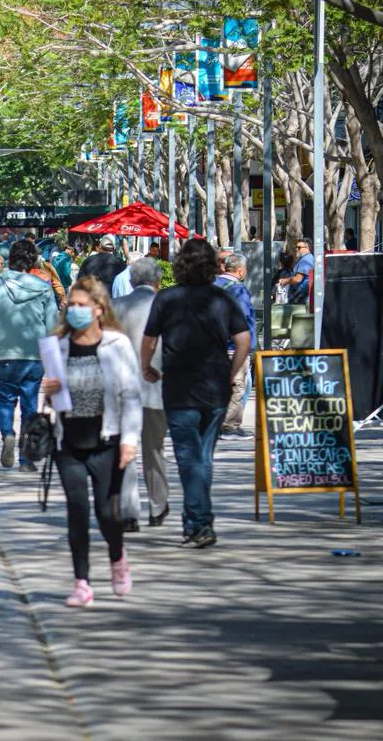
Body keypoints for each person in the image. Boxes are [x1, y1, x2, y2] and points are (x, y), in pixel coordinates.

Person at [141, 238, 250, 549]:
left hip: (179, 386)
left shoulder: (166, 298)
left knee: (189, 457)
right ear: (211, 267)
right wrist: (232, 372)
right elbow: (243, 340)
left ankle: (199, 523)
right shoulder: (222, 299)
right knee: (202, 457)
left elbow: (149, 340)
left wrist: (146, 366)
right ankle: (198, 521)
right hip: (215, 384)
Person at [41, 275, 143, 606]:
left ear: (99, 309)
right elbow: (51, 400)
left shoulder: (117, 345)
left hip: (106, 440)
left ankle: (117, 557)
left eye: (82, 306)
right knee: (77, 510)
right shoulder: (57, 346)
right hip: (68, 441)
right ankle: (81, 582)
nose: (75, 311)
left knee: (106, 512)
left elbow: (131, 396)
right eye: (71, 305)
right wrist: (49, 394)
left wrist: (129, 440)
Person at [0, 240, 58, 470]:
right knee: (30, 405)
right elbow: (52, 325)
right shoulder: (43, 287)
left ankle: (7, 435)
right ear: (32, 260)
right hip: (34, 356)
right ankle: (26, 458)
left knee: (5, 400)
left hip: (5, 354)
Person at [112, 257, 171, 527]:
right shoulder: (166, 307)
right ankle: (158, 506)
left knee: (126, 450)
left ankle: (128, 511)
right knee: (155, 449)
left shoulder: (117, 306)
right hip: (156, 388)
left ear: (133, 281)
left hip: (123, 388)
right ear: (157, 281)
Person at [215, 253, 255, 438]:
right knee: (237, 385)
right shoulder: (239, 290)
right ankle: (230, 426)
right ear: (240, 270)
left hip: (213, 346)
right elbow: (243, 318)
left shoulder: (212, 286)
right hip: (234, 347)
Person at [278, 237, 313, 305]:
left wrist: (285, 281)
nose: (296, 249)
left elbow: (298, 279)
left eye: (299, 247)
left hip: (300, 298)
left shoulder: (306, 260)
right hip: (301, 296)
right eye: (296, 247)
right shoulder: (307, 258)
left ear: (307, 248)